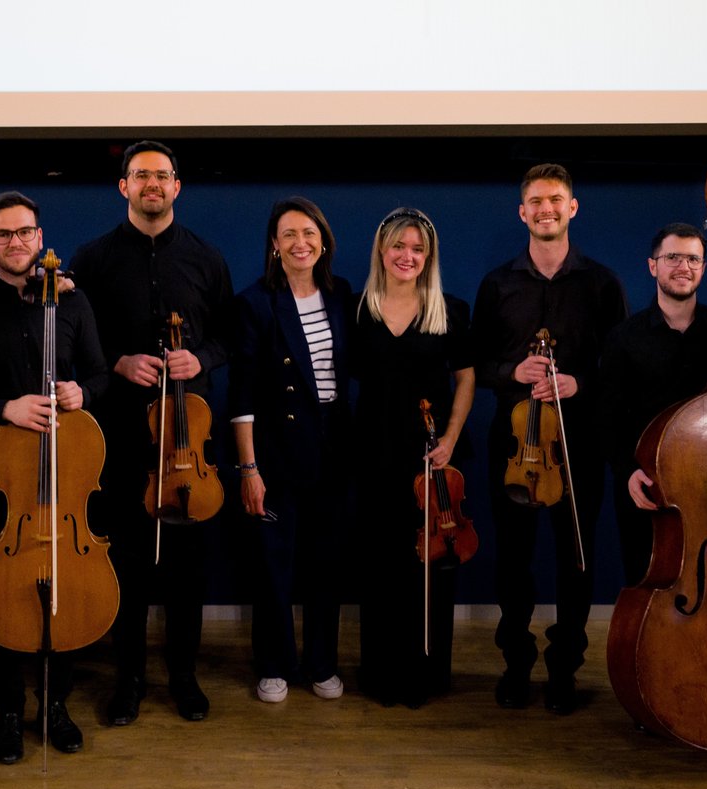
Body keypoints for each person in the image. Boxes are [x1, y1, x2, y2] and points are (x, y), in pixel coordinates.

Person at [0, 191, 109, 763]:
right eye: (5, 234)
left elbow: (102, 374)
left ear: (41, 237)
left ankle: (55, 704)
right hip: (1, 477)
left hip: (64, 479)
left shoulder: (72, 303)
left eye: (26, 232)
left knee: (64, 593)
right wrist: (5, 409)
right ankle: (8, 707)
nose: (18, 243)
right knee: (6, 596)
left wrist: (83, 392)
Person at [68, 141, 234, 724]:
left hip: (188, 446)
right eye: (141, 176)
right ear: (124, 187)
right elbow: (73, 342)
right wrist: (117, 362)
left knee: (187, 570)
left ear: (177, 186)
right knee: (129, 566)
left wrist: (202, 360)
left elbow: (226, 337)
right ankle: (129, 679)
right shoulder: (91, 259)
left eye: (162, 176)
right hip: (120, 441)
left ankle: (183, 677)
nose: (152, 185)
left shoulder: (207, 259)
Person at [470, 163, 627, 713]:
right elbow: (477, 363)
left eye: (555, 200)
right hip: (514, 448)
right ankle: (516, 664)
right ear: (522, 211)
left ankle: (565, 668)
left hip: (577, 443)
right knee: (512, 560)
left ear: (572, 207)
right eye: (535, 201)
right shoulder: (497, 284)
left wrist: (579, 381)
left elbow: (620, 368)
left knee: (575, 562)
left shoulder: (603, 283)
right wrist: (511, 373)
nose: (546, 209)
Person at [229, 197, 351, 704]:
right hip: (277, 450)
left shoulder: (342, 294)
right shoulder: (256, 302)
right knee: (273, 565)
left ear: (323, 240)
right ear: (275, 247)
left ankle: (322, 662)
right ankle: (275, 663)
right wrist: (249, 468)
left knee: (327, 565)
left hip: (335, 447)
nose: (301, 243)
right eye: (289, 235)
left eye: (309, 233)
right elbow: (243, 394)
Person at [598, 223, 707, 586]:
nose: (683, 267)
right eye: (672, 257)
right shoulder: (623, 338)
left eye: (693, 258)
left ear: (704, 268)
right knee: (648, 582)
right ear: (652, 265)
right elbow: (607, 418)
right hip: (648, 482)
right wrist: (627, 472)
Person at [353, 207, 475, 708]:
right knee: (380, 564)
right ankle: (381, 673)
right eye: (399, 246)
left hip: (431, 457)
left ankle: (426, 673)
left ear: (429, 257)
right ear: (382, 252)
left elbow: (465, 378)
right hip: (374, 452)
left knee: (427, 566)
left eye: (418, 249)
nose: (408, 256)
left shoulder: (451, 308)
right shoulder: (359, 309)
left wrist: (448, 438)